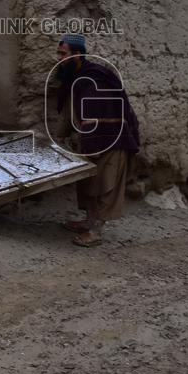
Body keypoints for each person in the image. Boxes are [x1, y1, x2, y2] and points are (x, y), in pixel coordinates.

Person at [55, 33, 141, 247]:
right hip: (89, 140)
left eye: (62, 53)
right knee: (89, 183)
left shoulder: (93, 79)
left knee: (105, 185)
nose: (58, 57)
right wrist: (60, 137)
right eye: (58, 52)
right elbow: (70, 109)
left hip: (110, 139)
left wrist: (91, 144)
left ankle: (96, 231)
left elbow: (98, 115)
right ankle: (89, 221)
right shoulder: (73, 78)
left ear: (77, 54)